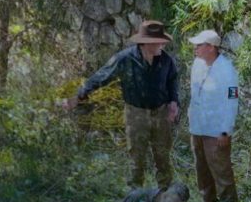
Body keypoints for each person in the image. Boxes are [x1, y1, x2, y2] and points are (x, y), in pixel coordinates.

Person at [65, 20, 180, 189]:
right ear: (146, 43)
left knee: (163, 157)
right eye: (159, 41)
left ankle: (167, 198)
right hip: (136, 114)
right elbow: (102, 76)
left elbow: (172, 81)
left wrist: (174, 101)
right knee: (136, 158)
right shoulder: (125, 58)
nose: (163, 44)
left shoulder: (166, 60)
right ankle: (135, 197)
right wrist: (79, 95)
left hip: (160, 113)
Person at [188, 30, 243, 202]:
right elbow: (195, 94)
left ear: (211, 47)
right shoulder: (197, 64)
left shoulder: (227, 70)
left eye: (199, 45)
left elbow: (232, 101)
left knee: (222, 172)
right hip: (198, 127)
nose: (195, 49)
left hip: (216, 131)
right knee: (201, 168)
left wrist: (226, 130)